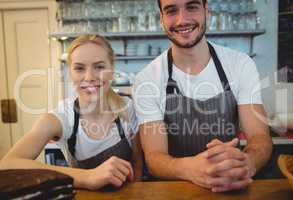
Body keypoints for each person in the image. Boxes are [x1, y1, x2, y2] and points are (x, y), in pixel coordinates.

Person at [133, 0, 272, 192]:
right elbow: (155, 157)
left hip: (231, 184)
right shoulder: (146, 79)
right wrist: (192, 169)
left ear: (207, 11)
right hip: (175, 191)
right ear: (162, 19)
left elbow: (259, 136)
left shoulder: (240, 65)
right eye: (171, 10)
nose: (182, 19)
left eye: (192, 7)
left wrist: (246, 163)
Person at [0, 34, 142, 190]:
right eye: (79, 68)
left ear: (112, 70)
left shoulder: (128, 109)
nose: (89, 77)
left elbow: (137, 164)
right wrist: (87, 176)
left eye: (99, 67)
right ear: (71, 72)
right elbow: (7, 164)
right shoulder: (61, 117)